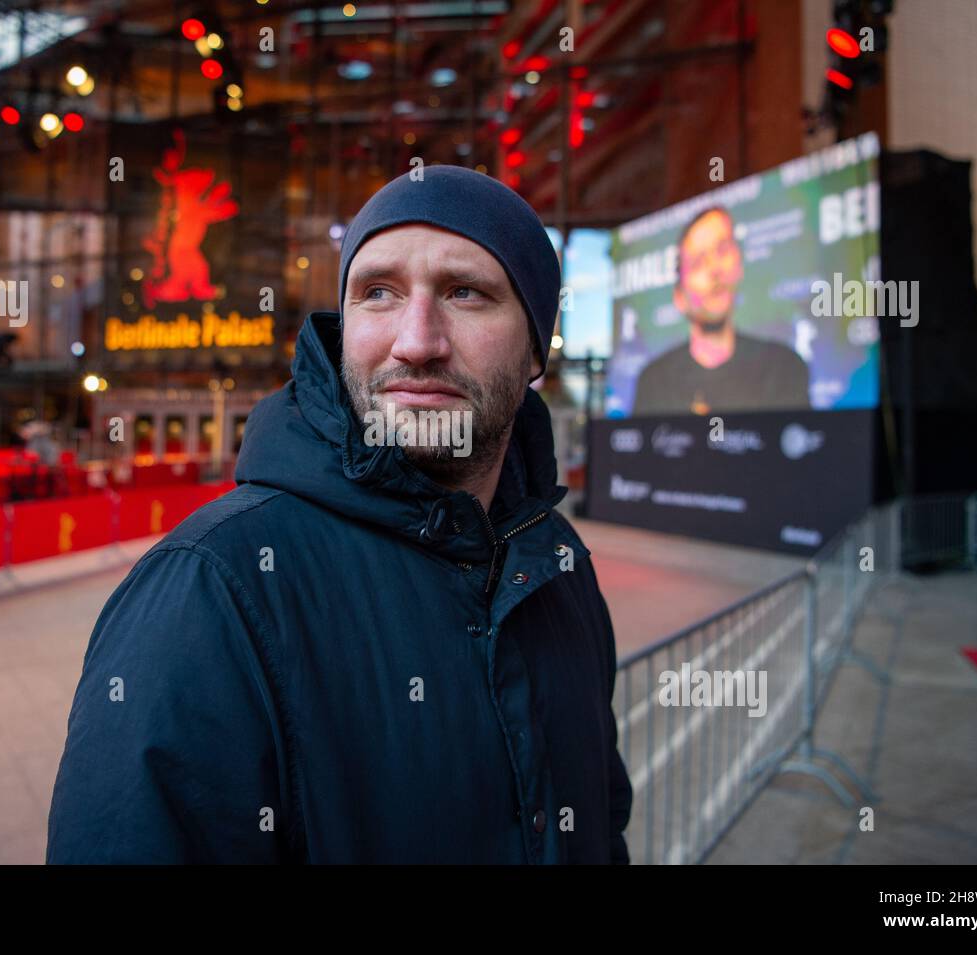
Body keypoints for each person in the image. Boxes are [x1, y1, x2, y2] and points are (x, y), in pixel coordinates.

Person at [47, 165, 634, 864]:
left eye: (466, 292)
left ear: (537, 344)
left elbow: (602, 827)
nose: (417, 341)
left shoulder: (558, 564)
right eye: (378, 292)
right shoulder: (209, 590)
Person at [634, 206, 810, 414]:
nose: (714, 269)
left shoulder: (783, 367)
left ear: (739, 266)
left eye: (722, 250)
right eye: (698, 263)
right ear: (679, 297)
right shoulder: (654, 380)